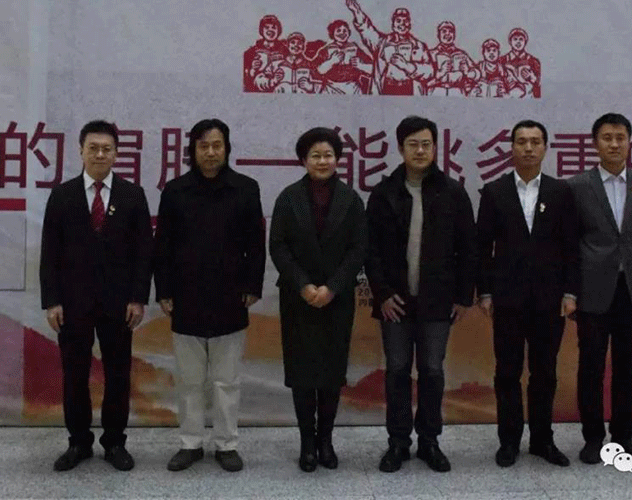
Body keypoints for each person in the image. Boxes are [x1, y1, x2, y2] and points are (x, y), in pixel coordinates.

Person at [365, 115, 478, 473]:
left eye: (426, 144)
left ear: (435, 147)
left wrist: (463, 296)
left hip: (437, 301)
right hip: (395, 302)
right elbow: (370, 250)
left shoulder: (453, 193)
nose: (420, 151)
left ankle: (430, 440)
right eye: (412, 144)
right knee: (397, 370)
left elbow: (468, 248)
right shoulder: (383, 193)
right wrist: (382, 294)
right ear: (400, 149)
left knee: (431, 370)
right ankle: (398, 442)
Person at [40, 120, 153, 472]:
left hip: (119, 304)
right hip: (72, 303)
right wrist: (52, 301)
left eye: (107, 149)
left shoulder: (133, 195)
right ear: (81, 151)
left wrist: (138, 298)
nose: (100, 154)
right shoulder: (63, 195)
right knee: (75, 375)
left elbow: (144, 253)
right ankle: (78, 442)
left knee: (118, 375)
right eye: (93, 148)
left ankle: (115, 442)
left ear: (117, 153)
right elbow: (49, 253)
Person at [154, 118, 266, 473]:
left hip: (230, 296)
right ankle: (190, 443)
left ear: (227, 149)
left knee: (226, 380)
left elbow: (256, 244)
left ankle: (226, 444)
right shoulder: (175, 191)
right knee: (189, 379)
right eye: (203, 146)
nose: (211, 152)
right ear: (193, 150)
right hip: (185, 297)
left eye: (217, 145)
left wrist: (252, 286)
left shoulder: (245, 189)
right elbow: (162, 246)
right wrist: (164, 290)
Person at [476, 120, 579, 468]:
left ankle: (542, 440)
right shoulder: (494, 192)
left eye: (535, 141)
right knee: (507, 372)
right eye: (521, 141)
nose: (529, 148)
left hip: (550, 299)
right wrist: (485, 292)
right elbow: (482, 247)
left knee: (544, 372)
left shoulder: (561, 192)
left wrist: (571, 292)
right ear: (512, 148)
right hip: (507, 298)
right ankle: (508, 442)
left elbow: (571, 247)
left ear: (546, 148)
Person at [269, 127, 368, 472]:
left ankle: (326, 440)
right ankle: (306, 443)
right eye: (315, 155)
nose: (322, 161)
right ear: (304, 160)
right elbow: (278, 246)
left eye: (328, 155)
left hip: (337, 300)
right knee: (302, 374)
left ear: (337, 159)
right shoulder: (288, 198)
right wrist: (304, 285)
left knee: (331, 374)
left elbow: (359, 248)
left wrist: (333, 287)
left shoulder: (351, 200)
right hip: (298, 299)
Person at [568, 113, 632, 466]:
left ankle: (623, 437)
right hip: (592, 291)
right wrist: (571, 291)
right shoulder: (577, 186)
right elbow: (569, 244)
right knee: (591, 366)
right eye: (607, 137)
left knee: (628, 367)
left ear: (629, 142)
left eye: (620, 137)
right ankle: (593, 439)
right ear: (595, 143)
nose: (614, 144)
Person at [344, 0, 434, 95]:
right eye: (398, 21)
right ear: (393, 24)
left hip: (409, 90)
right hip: (387, 89)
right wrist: (357, 11)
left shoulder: (419, 46)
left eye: (405, 21)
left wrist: (407, 66)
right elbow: (366, 30)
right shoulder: (382, 43)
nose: (402, 24)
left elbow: (430, 71)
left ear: (409, 24)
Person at [313, 20, 372, 94]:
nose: (342, 33)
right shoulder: (326, 50)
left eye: (345, 31)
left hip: (353, 88)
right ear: (332, 33)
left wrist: (360, 65)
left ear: (349, 32)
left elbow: (374, 69)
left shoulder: (355, 48)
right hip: (331, 88)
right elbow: (316, 72)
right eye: (338, 31)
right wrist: (331, 61)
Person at [428, 21, 479, 96]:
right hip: (436, 92)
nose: (447, 34)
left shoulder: (462, 54)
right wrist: (440, 73)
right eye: (444, 31)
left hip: (457, 92)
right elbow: (424, 81)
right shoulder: (431, 54)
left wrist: (468, 73)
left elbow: (477, 73)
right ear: (438, 35)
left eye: (450, 31)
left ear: (454, 35)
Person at [243, 14, 288, 92]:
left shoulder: (285, 50)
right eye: (267, 27)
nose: (270, 30)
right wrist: (252, 69)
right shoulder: (252, 52)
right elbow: (245, 78)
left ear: (279, 30)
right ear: (261, 30)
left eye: (274, 27)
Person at [499, 28, 541, 98]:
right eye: (515, 39)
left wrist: (533, 79)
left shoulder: (533, 61)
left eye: (521, 39)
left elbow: (539, 90)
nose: (518, 42)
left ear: (525, 42)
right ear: (510, 42)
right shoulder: (502, 60)